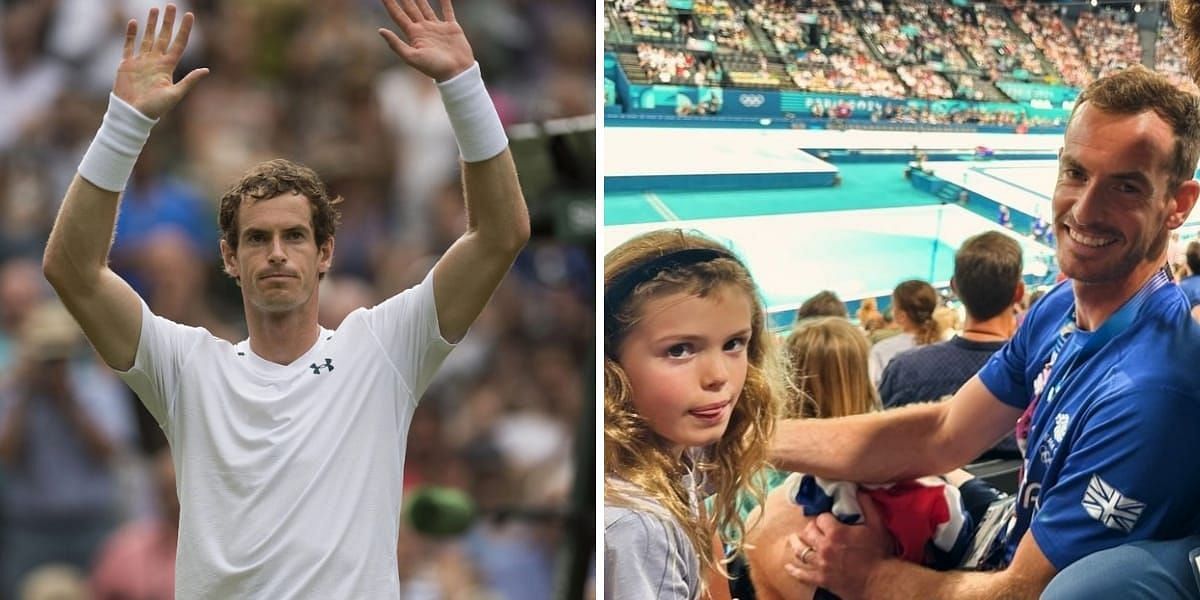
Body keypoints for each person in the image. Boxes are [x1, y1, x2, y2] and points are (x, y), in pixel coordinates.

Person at [41, 2, 528, 598]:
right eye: (256, 238)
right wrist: (123, 125)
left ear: (324, 253)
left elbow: (501, 235)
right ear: (229, 258)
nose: (276, 253)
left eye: (294, 236)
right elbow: (72, 271)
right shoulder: (188, 367)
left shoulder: (382, 349)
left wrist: (462, 84)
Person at [769, 65, 1200, 599]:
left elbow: (1021, 591)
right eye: (1076, 173)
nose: (1085, 209)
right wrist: (757, 437)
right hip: (1007, 527)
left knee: (786, 553)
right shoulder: (1060, 306)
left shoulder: (1153, 394)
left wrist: (867, 576)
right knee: (790, 502)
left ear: (1178, 204)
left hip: (1015, 576)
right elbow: (944, 432)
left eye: (1126, 187)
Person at [603, 229, 783, 599]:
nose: (719, 376)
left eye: (734, 344)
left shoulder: (676, 456)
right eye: (680, 350)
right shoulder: (637, 527)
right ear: (612, 365)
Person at [878, 231, 1024, 460]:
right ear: (1019, 292)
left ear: (954, 287)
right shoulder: (1040, 379)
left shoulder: (905, 370)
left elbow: (886, 451)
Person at [868, 279, 942, 386]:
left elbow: (874, 393)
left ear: (901, 315)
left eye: (893, 306)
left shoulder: (881, 351)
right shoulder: (948, 347)